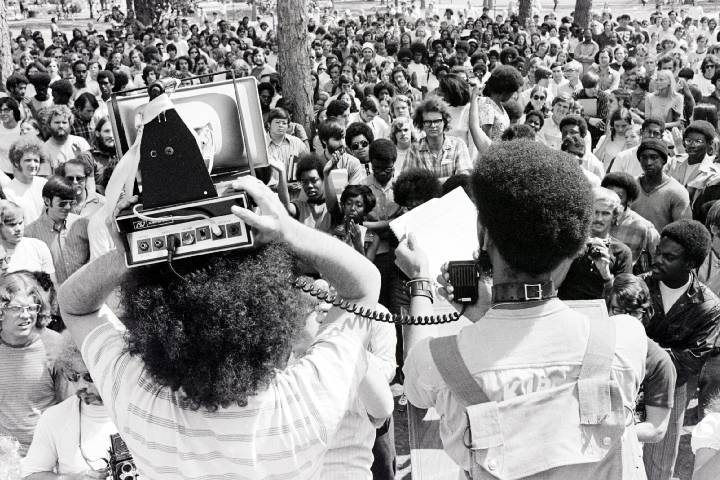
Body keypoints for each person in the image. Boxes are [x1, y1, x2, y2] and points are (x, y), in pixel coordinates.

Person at [58, 175, 386, 478]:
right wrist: (288, 230)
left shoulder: (138, 402)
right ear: (275, 321)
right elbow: (364, 287)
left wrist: (135, 250)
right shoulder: (304, 405)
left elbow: (75, 307)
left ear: (154, 323)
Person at [399, 140, 647, 477]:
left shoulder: (440, 361)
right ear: (577, 246)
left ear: (483, 235)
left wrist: (420, 280)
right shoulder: (624, 339)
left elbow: (414, 379)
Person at [642, 219, 720, 480]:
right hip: (629, 384)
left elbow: (692, 360)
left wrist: (643, 353)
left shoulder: (708, 306)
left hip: (672, 391)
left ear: (690, 263)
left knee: (660, 465)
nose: (658, 260)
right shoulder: (639, 286)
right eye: (658, 252)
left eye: (669, 257)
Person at [22, 331, 117, 478]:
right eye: (72, 376)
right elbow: (31, 475)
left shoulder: (143, 410)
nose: (80, 386)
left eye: (89, 376)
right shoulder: (55, 417)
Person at [605, 274, 676, 445]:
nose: (626, 318)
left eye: (634, 313)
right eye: (619, 311)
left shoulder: (659, 361)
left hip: (624, 453)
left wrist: (605, 433)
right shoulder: (589, 345)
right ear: (605, 307)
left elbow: (656, 429)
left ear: (646, 313)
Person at [0, 272, 64, 456]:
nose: (26, 315)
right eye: (16, 308)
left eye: (31, 308)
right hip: (6, 457)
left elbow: (71, 406)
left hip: (50, 453)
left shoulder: (55, 345)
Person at [558, 187, 633, 300]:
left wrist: (606, 274)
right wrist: (572, 256)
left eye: (606, 213)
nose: (599, 218)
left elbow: (624, 298)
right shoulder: (570, 242)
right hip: (568, 308)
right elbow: (553, 284)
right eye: (595, 212)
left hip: (602, 311)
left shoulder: (622, 252)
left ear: (615, 216)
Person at [25, 176, 89, 285]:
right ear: (47, 200)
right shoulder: (30, 234)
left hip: (85, 294)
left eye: (71, 202)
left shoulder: (83, 224)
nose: (68, 207)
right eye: (62, 203)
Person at [403, 96, 472, 182]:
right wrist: (449, 180)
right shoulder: (414, 150)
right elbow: (407, 182)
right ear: (422, 124)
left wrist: (428, 183)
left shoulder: (458, 145)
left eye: (437, 121)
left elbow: (464, 178)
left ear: (444, 122)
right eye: (428, 122)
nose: (433, 125)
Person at [601, 172, 660, 271]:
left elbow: (657, 261)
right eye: (609, 193)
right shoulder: (593, 219)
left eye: (619, 196)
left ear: (629, 200)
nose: (612, 200)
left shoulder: (644, 227)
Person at [632, 138, 692, 232]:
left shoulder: (677, 192)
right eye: (644, 157)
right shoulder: (631, 186)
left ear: (664, 160)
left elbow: (683, 231)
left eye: (654, 157)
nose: (648, 162)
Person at [4, 138, 48, 225]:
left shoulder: (44, 184)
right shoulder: (8, 193)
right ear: (16, 163)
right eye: (28, 160)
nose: (33, 165)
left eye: (36, 161)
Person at [43, 105, 92, 172]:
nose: (61, 126)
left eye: (64, 122)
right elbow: (47, 179)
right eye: (57, 122)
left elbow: (90, 174)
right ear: (49, 124)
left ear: (70, 124)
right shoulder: (44, 150)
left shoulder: (81, 142)